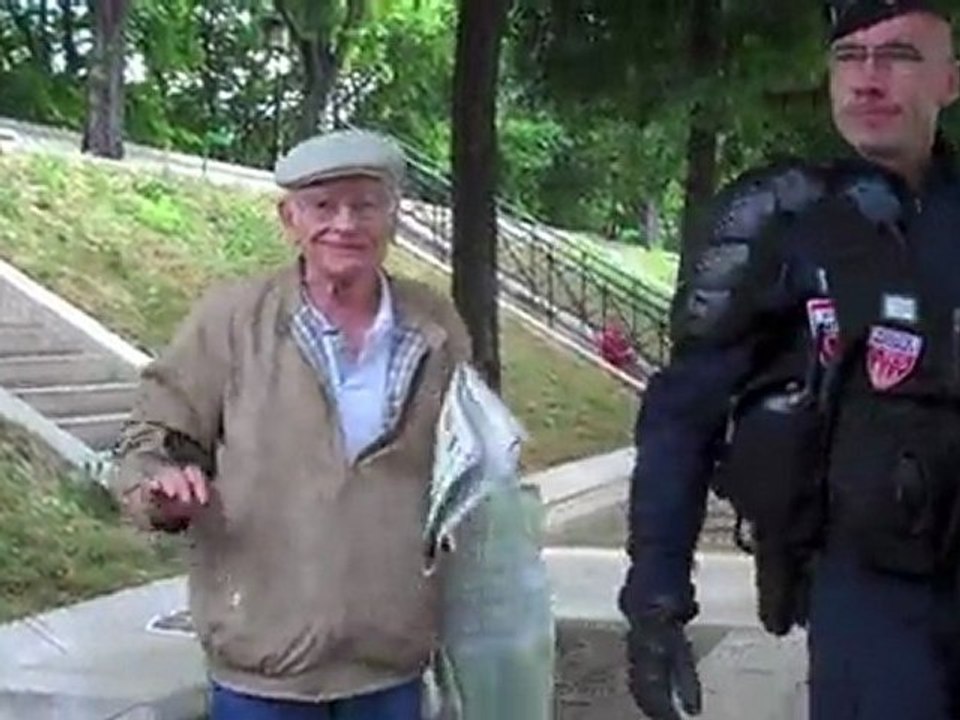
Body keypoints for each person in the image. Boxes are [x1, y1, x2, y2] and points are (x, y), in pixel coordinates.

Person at [619, 2, 960, 719]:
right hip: (869, 605)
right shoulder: (780, 221)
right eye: (847, 57)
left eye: (897, 56)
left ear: (949, 81)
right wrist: (656, 600)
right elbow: (683, 416)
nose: (867, 79)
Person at [111, 128, 471, 719]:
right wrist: (162, 489)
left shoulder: (435, 325)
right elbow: (152, 436)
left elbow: (472, 463)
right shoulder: (231, 320)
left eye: (365, 204)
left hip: (391, 661)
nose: (345, 224)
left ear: (394, 215)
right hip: (262, 664)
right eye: (323, 206)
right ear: (289, 217)